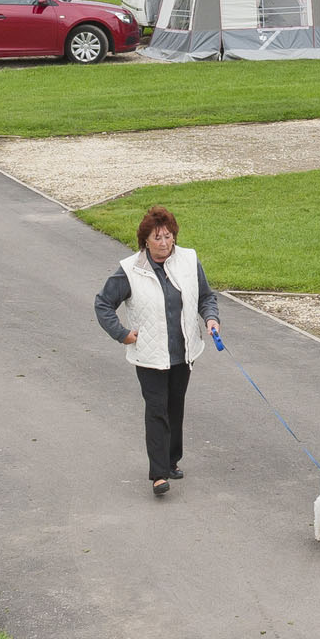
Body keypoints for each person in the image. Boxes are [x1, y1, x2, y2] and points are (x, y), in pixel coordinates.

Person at [94, 205, 221, 497]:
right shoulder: (130, 270)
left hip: (184, 352)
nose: (164, 243)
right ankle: (159, 474)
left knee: (175, 407)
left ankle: (172, 459)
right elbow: (103, 304)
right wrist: (122, 334)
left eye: (168, 236)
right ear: (145, 241)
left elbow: (205, 296)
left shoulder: (188, 260)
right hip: (149, 356)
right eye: (157, 238)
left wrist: (211, 319)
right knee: (156, 410)